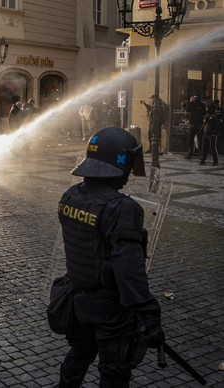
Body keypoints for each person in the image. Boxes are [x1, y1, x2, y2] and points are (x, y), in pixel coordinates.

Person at [56, 127, 164, 387]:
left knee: (78, 357)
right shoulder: (122, 208)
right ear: (121, 163)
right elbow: (129, 270)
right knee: (114, 372)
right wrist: (149, 315)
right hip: (110, 310)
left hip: (78, 300)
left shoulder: (70, 197)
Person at [183, 94, 206, 159]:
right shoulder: (191, 104)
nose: (195, 98)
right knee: (191, 140)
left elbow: (204, 113)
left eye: (196, 97)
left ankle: (199, 154)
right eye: (194, 97)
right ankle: (190, 154)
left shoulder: (202, 105)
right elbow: (187, 110)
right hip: (193, 124)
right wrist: (190, 102)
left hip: (198, 124)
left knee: (199, 140)